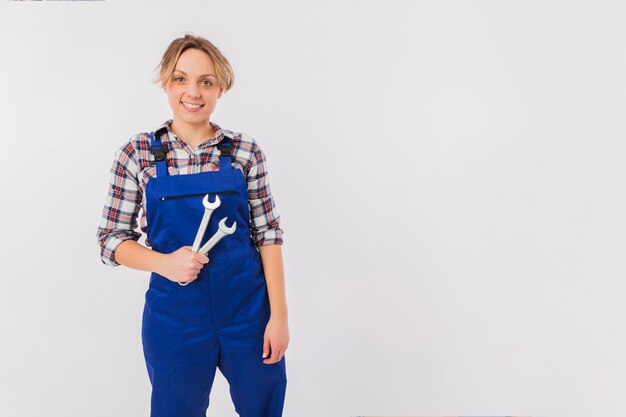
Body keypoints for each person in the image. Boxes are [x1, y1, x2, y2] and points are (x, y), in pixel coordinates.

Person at [95, 33, 289, 417]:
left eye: (206, 81)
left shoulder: (244, 151)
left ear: (221, 88)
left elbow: (268, 235)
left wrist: (279, 316)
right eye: (181, 79)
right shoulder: (138, 154)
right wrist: (164, 263)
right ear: (166, 83)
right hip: (175, 319)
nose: (193, 92)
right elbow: (110, 240)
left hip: (248, 313)